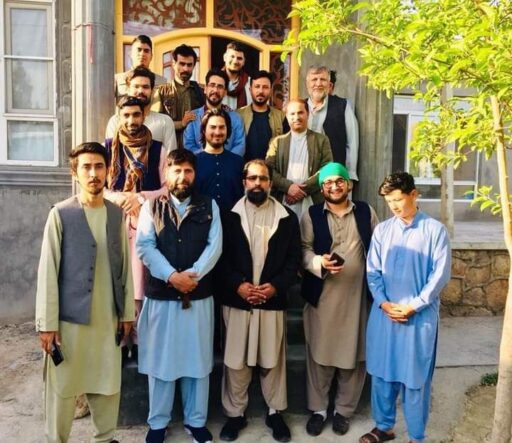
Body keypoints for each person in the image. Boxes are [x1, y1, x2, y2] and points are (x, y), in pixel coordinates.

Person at [35, 142, 134, 442]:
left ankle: (105, 438)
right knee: (63, 386)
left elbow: (125, 268)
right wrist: (47, 324)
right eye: (86, 167)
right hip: (68, 323)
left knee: (107, 384)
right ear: (75, 173)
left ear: (108, 171)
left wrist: (126, 314)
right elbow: (48, 271)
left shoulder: (116, 215)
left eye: (99, 166)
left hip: (107, 320)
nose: (93, 174)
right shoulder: (60, 214)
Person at [136, 149, 222, 443]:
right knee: (161, 362)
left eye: (188, 171)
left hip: (197, 297)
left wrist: (191, 277)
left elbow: (215, 246)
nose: (182, 177)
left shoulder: (209, 205)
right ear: (167, 173)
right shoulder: (151, 207)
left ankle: (195, 422)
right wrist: (172, 276)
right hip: (162, 296)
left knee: (198, 362)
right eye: (177, 171)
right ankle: (158, 424)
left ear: (194, 174)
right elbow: (145, 246)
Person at [359, 172, 451, 443]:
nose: (394, 206)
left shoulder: (435, 231)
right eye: (389, 202)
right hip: (385, 314)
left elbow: (440, 275)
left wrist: (414, 305)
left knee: (415, 378)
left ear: (414, 194)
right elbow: (372, 271)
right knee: (382, 373)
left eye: (398, 199)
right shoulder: (382, 231)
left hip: (418, 318)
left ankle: (416, 436)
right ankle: (384, 427)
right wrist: (382, 302)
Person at [219, 159, 301, 443]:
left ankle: (275, 413)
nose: (257, 183)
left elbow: (294, 260)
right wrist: (238, 285)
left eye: (263, 179)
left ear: (270, 183)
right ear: (244, 182)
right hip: (237, 300)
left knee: (272, 361)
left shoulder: (286, 218)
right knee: (236, 361)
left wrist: (275, 287)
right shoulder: (228, 216)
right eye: (252, 178)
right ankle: (235, 414)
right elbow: (220, 258)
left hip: (271, 300)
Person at [300, 162, 378, 437]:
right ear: (322, 189)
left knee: (354, 355)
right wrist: (318, 262)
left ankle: (343, 411)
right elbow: (303, 249)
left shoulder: (366, 211)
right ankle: (318, 410)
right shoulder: (312, 214)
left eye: (339, 181)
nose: (334, 186)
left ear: (349, 184)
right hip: (323, 297)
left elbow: (379, 247)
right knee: (319, 355)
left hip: (357, 298)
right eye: (328, 183)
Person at [105, 96, 169, 356]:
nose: (131, 120)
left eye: (136, 115)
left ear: (144, 116)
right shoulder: (108, 148)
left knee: (140, 282)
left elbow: (167, 188)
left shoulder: (158, 149)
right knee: (117, 281)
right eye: (126, 115)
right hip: (115, 223)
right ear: (119, 116)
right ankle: (120, 344)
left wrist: (140, 197)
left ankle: (140, 342)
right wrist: (121, 198)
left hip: (147, 224)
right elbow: (99, 187)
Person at [266, 98, 332, 220]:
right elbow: (268, 170)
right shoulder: (277, 142)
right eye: (292, 114)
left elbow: (327, 168)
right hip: (284, 200)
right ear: (287, 116)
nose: (296, 117)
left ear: (308, 114)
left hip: (312, 199)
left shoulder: (321, 140)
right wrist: (288, 187)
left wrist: (302, 190)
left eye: (300, 112)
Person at [306, 65, 359, 181]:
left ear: (329, 84)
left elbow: (352, 143)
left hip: (333, 177)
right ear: (307, 84)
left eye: (323, 79)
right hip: (304, 177)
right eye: (314, 79)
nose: (318, 84)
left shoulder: (342, 106)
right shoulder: (300, 107)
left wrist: (350, 175)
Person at [107, 67, 177, 153]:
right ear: (128, 89)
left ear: (152, 90)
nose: (140, 91)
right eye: (136, 86)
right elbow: (111, 154)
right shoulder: (115, 121)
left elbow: (171, 158)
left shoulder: (164, 122)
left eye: (145, 87)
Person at [151, 44, 205, 149]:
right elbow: (156, 124)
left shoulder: (201, 92)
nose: (185, 68)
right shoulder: (162, 92)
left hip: (195, 151)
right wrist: (181, 123)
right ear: (173, 64)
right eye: (182, 64)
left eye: (189, 65)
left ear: (194, 66)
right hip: (170, 150)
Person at [183, 68, 245, 157]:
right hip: (200, 164)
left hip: (228, 164)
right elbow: (188, 145)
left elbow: (240, 145)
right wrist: (208, 158)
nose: (215, 90)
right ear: (205, 89)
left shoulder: (236, 118)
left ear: (225, 92)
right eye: (212, 85)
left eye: (220, 87)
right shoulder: (193, 116)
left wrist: (224, 160)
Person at [194, 108, 244, 213]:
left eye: (222, 127)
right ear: (203, 130)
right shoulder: (193, 162)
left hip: (233, 221)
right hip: (201, 221)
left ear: (228, 130)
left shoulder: (238, 162)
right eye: (213, 127)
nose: (217, 132)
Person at [237, 70, 289, 161]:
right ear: (250, 90)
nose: (261, 91)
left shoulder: (281, 117)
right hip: (244, 168)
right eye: (257, 86)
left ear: (271, 90)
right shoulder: (238, 115)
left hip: (272, 168)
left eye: (265, 87)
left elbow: (287, 147)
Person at [115, 35, 166, 100]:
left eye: (146, 51)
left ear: (151, 56)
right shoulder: (117, 80)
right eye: (138, 50)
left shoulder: (162, 83)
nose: (142, 54)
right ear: (130, 54)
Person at [222, 41, 252, 109]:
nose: (235, 61)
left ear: (244, 62)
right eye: (232, 56)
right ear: (225, 58)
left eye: (239, 58)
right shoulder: (216, 82)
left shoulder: (250, 83)